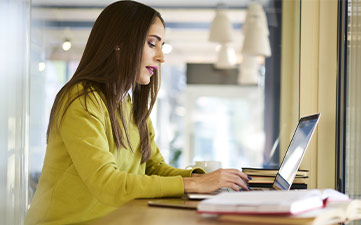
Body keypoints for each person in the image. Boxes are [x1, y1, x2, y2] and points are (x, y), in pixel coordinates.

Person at [25, 1, 249, 224]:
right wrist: (194, 185)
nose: (161, 57)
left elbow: (153, 167)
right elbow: (107, 183)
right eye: (152, 44)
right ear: (119, 44)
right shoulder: (82, 99)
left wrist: (202, 179)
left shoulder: (129, 105)